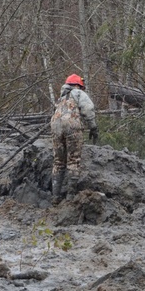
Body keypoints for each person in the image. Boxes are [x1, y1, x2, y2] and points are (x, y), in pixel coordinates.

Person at [50, 73, 98, 203]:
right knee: (73, 160)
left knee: (58, 162)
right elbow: (88, 109)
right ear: (77, 85)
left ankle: (55, 197)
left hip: (55, 126)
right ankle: (70, 197)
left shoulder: (60, 99)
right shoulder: (78, 93)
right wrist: (93, 127)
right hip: (71, 125)